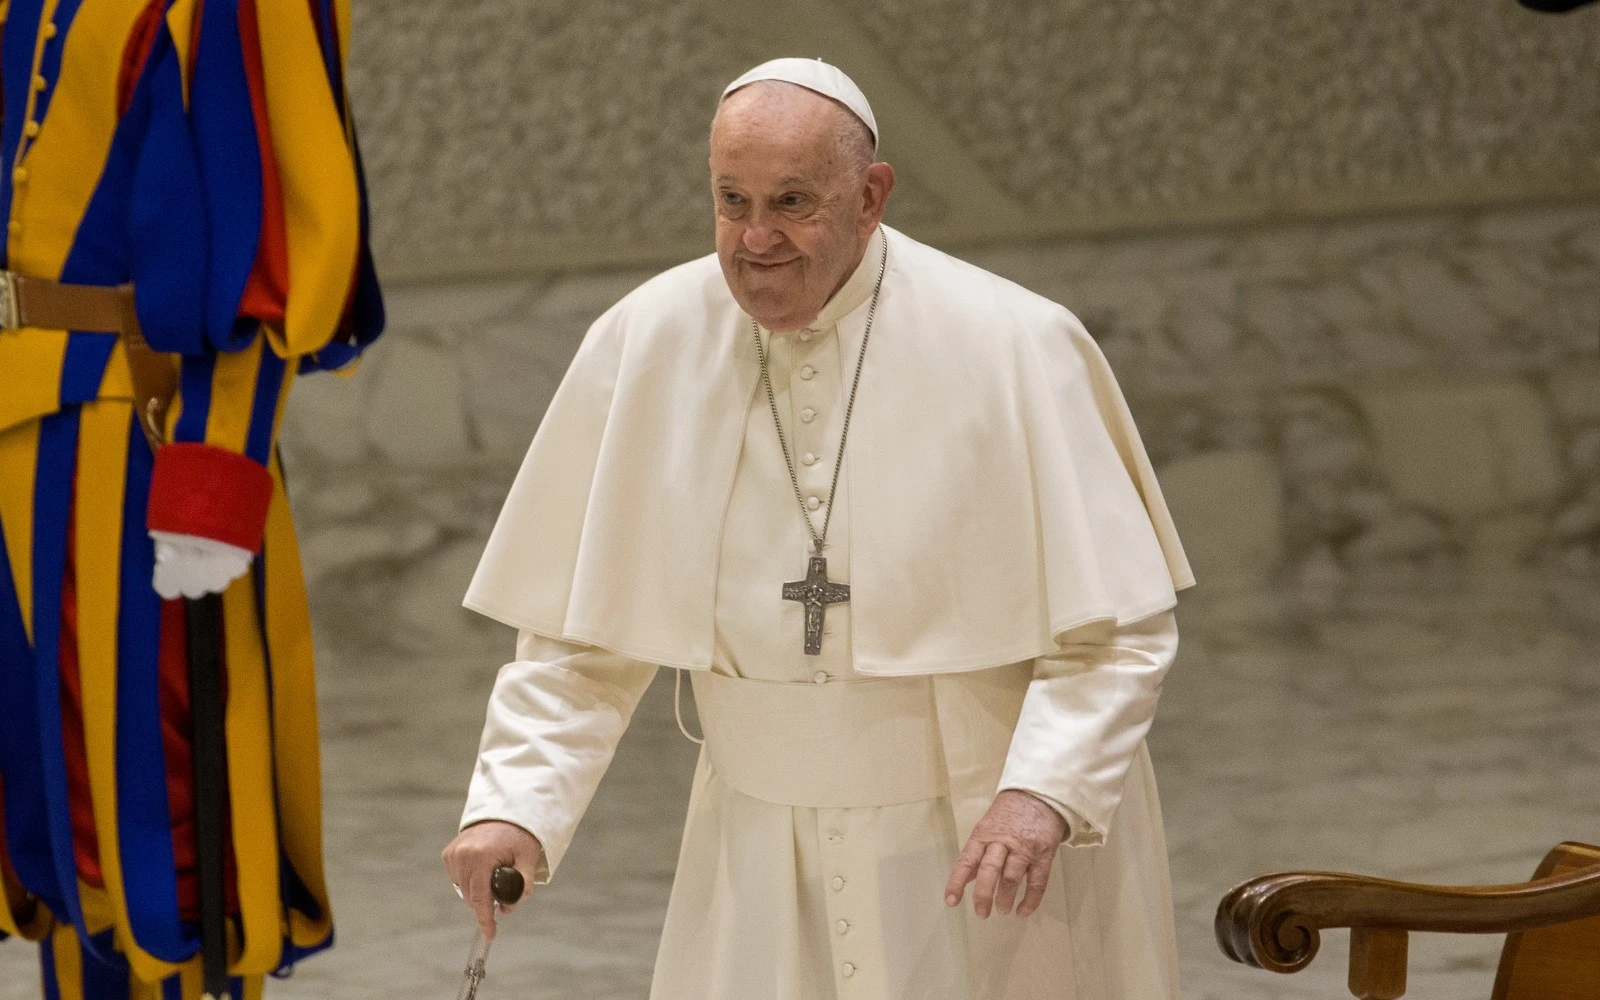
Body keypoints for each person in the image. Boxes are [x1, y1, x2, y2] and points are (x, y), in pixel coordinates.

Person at [443, 57, 1193, 1000]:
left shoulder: (1014, 346)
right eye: (731, 200)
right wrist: (515, 808)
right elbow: (575, 638)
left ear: (871, 196)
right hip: (755, 845)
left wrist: (1042, 794)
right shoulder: (646, 342)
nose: (756, 239)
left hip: (978, 836)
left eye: (794, 201)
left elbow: (1118, 631)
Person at [0, 1, 382, 997]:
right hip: (13, 430)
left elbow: (260, 247)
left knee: (160, 820)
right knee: (44, 798)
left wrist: (216, 472)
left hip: (133, 436)